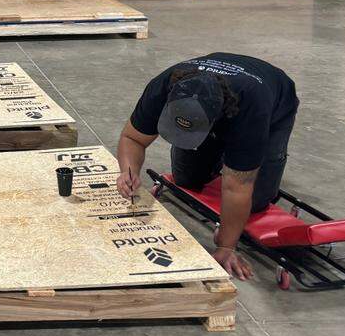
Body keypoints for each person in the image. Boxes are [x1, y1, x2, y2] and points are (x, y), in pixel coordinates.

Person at [116, 53, 299, 281]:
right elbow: (133, 138)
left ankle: (236, 158)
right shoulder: (162, 87)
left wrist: (227, 247)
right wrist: (128, 171)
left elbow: (238, 187)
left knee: (257, 201)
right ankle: (215, 155)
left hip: (274, 102)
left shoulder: (251, 110)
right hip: (220, 106)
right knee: (186, 179)